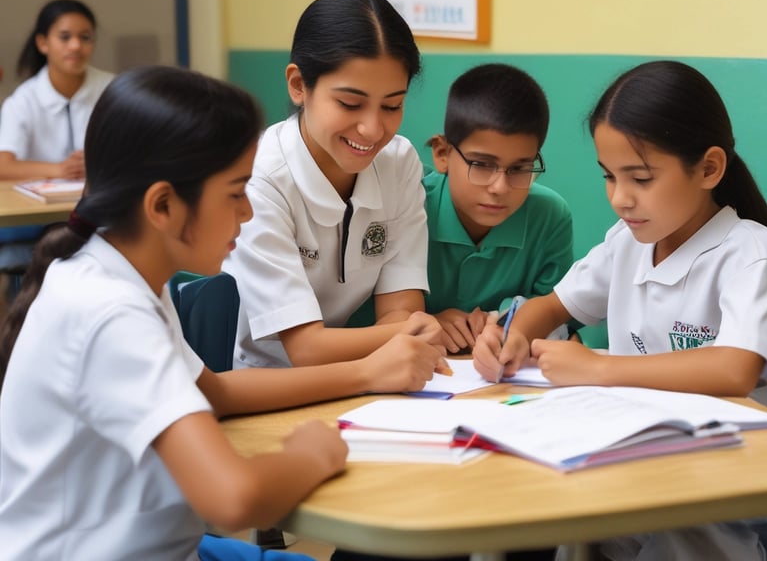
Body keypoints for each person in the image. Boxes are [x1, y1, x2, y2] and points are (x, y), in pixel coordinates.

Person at [0, 66, 447, 560]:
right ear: (163, 206)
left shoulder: (119, 274)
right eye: (236, 193)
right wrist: (309, 456)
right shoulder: (111, 313)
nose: (248, 213)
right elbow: (235, 499)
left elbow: (215, 390)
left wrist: (365, 373)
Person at [473, 60, 767, 561]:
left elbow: (733, 369)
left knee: (681, 524)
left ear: (709, 168)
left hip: (721, 475)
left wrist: (599, 368)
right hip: (635, 452)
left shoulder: (750, 254)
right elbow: (549, 307)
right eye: (609, 177)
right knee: (560, 505)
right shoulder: (627, 244)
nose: (620, 199)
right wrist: (513, 334)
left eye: (641, 177)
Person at [224, 0, 453, 370]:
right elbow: (306, 349)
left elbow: (401, 308)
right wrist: (417, 330)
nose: (373, 128)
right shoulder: (261, 179)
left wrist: (409, 328)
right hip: (269, 385)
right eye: (350, 103)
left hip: (363, 376)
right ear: (299, 85)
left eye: (392, 105)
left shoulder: (398, 162)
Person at [422, 63, 573, 350]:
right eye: (481, 164)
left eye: (520, 168)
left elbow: (559, 315)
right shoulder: (411, 206)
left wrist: (501, 318)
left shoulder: (550, 217)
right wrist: (427, 322)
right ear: (442, 154)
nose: (500, 187)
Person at [0, 0, 114, 180]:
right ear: (42, 43)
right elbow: (3, 166)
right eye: (65, 37)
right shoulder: (23, 100)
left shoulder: (113, 90)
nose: (76, 46)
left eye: (85, 37)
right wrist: (60, 169)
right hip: (39, 205)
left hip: (103, 201)